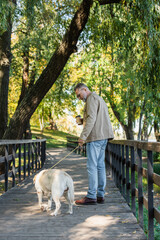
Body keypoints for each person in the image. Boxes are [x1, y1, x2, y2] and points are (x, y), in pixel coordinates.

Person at [74, 83, 114, 205]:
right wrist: (81, 121)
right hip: (103, 136)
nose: (79, 98)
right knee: (100, 166)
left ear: (85, 89)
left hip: (95, 137)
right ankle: (100, 195)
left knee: (92, 166)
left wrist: (82, 137)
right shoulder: (99, 98)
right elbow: (95, 118)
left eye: (79, 95)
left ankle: (91, 196)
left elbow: (91, 119)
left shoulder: (91, 99)